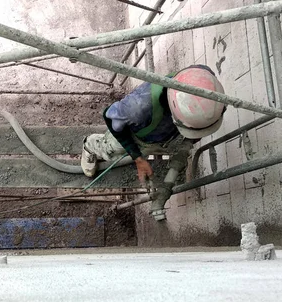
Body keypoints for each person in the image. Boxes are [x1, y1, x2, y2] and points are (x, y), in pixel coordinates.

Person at [81, 65, 226, 220]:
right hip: (136, 134)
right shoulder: (137, 109)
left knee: (167, 153)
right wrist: (138, 158)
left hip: (165, 135)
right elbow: (109, 117)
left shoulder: (203, 79)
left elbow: (205, 120)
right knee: (110, 151)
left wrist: (186, 144)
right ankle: (90, 146)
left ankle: (155, 148)